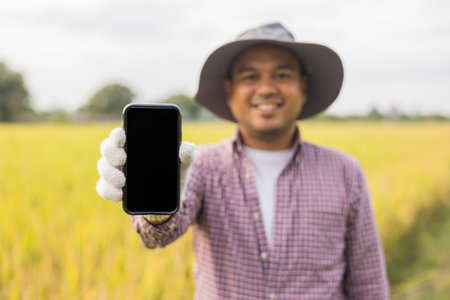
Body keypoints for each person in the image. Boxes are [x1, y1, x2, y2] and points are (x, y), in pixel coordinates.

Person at [97, 22, 390, 299]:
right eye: (250, 76)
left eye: (282, 74)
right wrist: (154, 207)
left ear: (303, 87)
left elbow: (368, 284)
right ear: (230, 89)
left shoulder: (344, 172)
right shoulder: (200, 164)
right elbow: (156, 236)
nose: (266, 89)